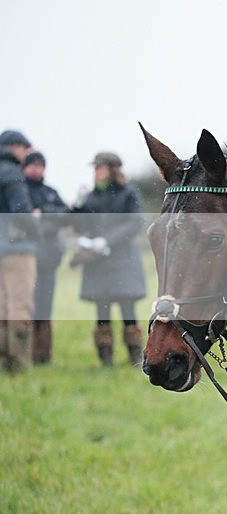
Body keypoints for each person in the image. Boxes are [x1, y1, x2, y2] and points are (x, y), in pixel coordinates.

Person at [72, 152, 146, 366]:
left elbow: (135, 222)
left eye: (100, 167)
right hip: (98, 263)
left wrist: (107, 240)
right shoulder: (91, 197)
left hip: (123, 261)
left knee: (127, 309)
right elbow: (80, 226)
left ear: (112, 169)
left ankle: (135, 356)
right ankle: (105, 358)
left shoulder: (128, 193)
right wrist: (77, 208)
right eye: (95, 168)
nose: (96, 172)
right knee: (102, 311)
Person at [23, 150, 70, 364]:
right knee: (27, 306)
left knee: (45, 307)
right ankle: (27, 352)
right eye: (33, 165)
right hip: (26, 260)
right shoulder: (19, 191)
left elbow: (65, 215)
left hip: (49, 261)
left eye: (41, 165)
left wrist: (43, 214)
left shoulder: (50, 192)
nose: (38, 169)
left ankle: (44, 354)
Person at [0, 130, 39, 374]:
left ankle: (3, 364)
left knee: (2, 306)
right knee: (20, 306)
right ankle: (20, 366)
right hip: (16, 250)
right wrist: (35, 221)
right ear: (15, 147)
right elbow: (21, 212)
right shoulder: (12, 173)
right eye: (25, 149)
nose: (26, 155)